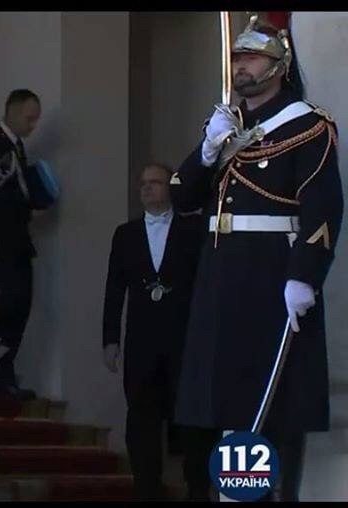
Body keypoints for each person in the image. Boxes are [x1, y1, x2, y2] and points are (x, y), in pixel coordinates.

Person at [170, 13, 343, 502]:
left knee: (274, 400)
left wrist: (304, 276)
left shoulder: (307, 126)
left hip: (271, 276)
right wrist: (209, 150)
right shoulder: (228, 127)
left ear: (279, 66)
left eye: (252, 58)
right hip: (222, 277)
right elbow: (182, 197)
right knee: (228, 400)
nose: (241, 66)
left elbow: (323, 208)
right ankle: (236, 494)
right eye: (238, 58)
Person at [102, 163, 219, 500]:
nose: (146, 188)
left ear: (171, 188)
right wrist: (110, 339)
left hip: (185, 342)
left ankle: (198, 491)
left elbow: (207, 286)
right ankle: (146, 490)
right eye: (143, 183)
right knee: (141, 421)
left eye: (155, 182)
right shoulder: (125, 234)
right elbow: (114, 290)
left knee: (192, 421)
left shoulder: (193, 230)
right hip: (141, 344)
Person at [0, 90, 60, 396]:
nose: (33, 125)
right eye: (29, 118)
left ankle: (4, 372)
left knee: (19, 306)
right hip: (1, 244)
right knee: (6, 307)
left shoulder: (15, 146)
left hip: (17, 243)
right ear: (12, 111)